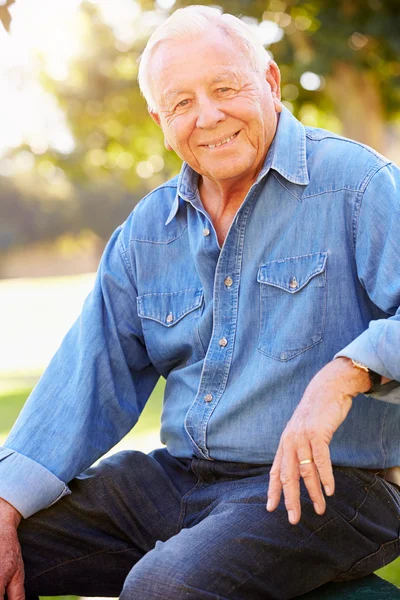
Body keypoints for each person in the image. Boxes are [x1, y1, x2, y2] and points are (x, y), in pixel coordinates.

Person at [1, 5, 400, 599]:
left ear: (269, 82)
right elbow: (89, 376)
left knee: (164, 588)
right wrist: (6, 504)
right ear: (159, 119)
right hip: (181, 479)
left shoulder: (355, 183)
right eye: (181, 102)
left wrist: (344, 375)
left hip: (330, 484)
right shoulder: (148, 230)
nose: (208, 116)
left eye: (225, 88)